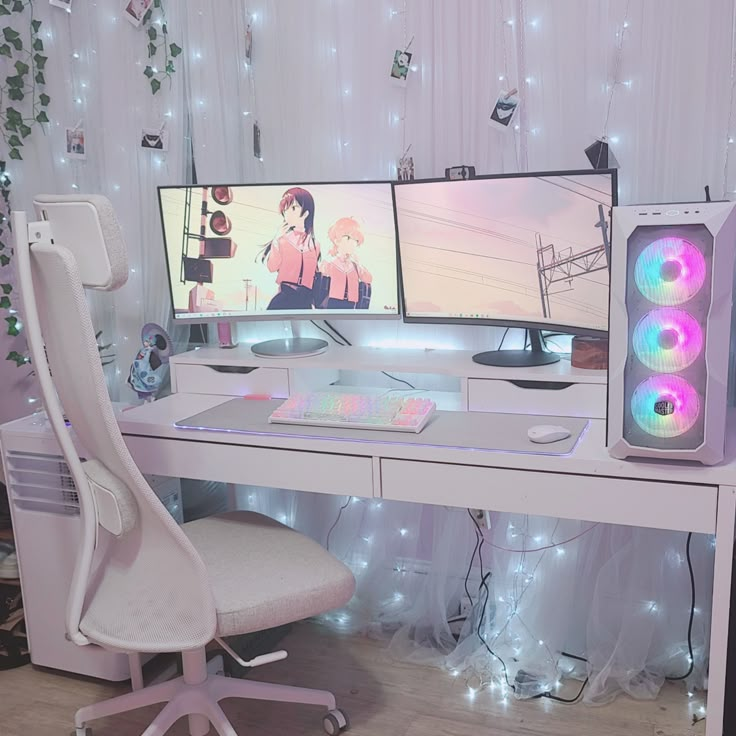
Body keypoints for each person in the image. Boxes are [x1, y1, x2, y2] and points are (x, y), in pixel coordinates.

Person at [261, 187, 320, 310]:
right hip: (285, 297)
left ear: (306, 213)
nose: (288, 213)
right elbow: (272, 267)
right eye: (286, 209)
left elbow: (314, 274)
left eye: (293, 208)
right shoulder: (282, 240)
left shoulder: (315, 244)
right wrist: (276, 240)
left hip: (306, 301)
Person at [319, 217, 372, 309]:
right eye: (348, 238)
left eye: (356, 240)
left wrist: (358, 264)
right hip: (332, 303)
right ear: (336, 240)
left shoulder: (356, 266)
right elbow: (320, 281)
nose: (352, 243)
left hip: (351, 305)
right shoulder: (330, 263)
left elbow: (368, 279)